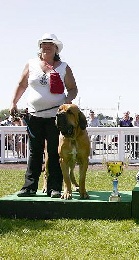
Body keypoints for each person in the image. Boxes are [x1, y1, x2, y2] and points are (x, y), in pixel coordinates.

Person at [10, 33, 78, 198]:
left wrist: (66, 104)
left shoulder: (63, 67)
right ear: (40, 47)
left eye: (50, 44)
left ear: (56, 48)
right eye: (43, 44)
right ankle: (29, 187)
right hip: (34, 115)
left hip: (56, 117)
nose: (46, 46)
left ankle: (55, 188)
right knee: (35, 151)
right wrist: (14, 102)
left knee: (55, 152)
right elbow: (21, 84)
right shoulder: (31, 63)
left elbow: (73, 88)